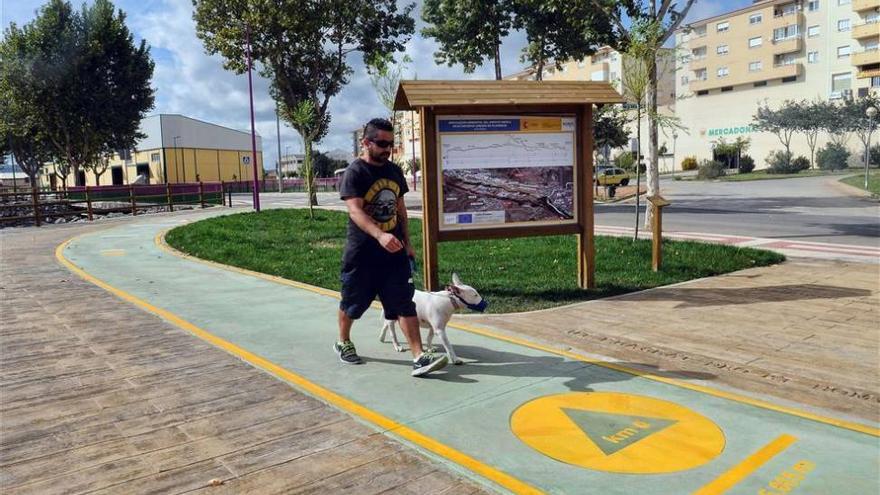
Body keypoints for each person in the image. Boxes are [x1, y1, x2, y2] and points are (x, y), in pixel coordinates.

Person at [334, 118, 448, 377]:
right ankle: (343, 341)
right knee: (354, 303)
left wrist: (407, 243)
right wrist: (379, 235)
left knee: (403, 302)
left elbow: (400, 209)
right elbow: (355, 211)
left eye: (391, 144)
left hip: (394, 253)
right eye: (382, 143)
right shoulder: (356, 173)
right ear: (366, 142)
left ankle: (419, 357)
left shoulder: (394, 172)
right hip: (363, 253)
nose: (387, 149)